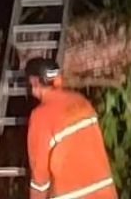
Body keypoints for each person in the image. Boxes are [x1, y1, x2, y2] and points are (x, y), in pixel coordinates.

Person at [24, 57, 116, 199]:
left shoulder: (40, 117)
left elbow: (40, 178)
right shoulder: (81, 101)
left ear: (34, 82)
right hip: (105, 192)